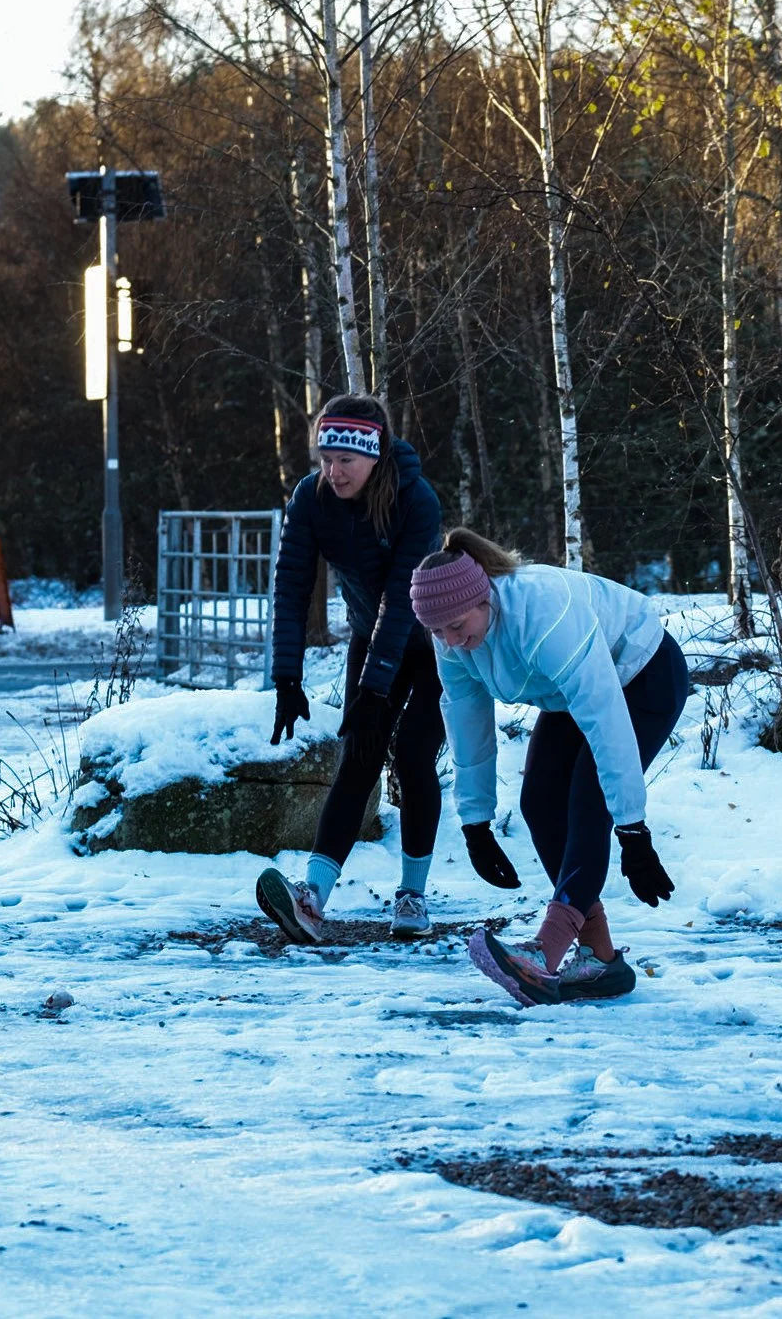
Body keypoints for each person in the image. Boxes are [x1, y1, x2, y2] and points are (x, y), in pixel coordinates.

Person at [408, 529, 690, 1006]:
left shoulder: (541, 612)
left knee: (587, 799)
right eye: (437, 633)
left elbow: (605, 719)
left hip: (644, 674)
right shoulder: (453, 640)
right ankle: (600, 958)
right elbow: (467, 724)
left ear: (482, 599)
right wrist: (475, 823)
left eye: (456, 627)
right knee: (538, 802)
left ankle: (547, 950)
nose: (452, 643)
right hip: (570, 692)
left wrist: (634, 831)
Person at [256, 393, 454, 942]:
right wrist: (287, 678)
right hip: (374, 637)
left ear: (374, 456)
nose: (333, 471)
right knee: (359, 756)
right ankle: (313, 898)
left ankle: (412, 897)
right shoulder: (311, 498)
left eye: (346, 460)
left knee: (413, 756)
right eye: (325, 458)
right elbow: (291, 586)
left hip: (440, 641)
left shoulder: (416, 500)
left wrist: (373, 691)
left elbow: (401, 596)